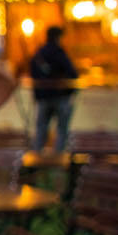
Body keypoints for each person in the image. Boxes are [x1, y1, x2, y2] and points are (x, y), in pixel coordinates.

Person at [30, 25, 79, 153]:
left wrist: (38, 94)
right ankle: (58, 158)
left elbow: (33, 73)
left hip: (43, 97)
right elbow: (72, 73)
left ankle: (37, 157)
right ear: (57, 37)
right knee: (61, 129)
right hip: (59, 96)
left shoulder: (40, 53)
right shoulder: (59, 52)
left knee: (41, 128)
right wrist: (69, 90)